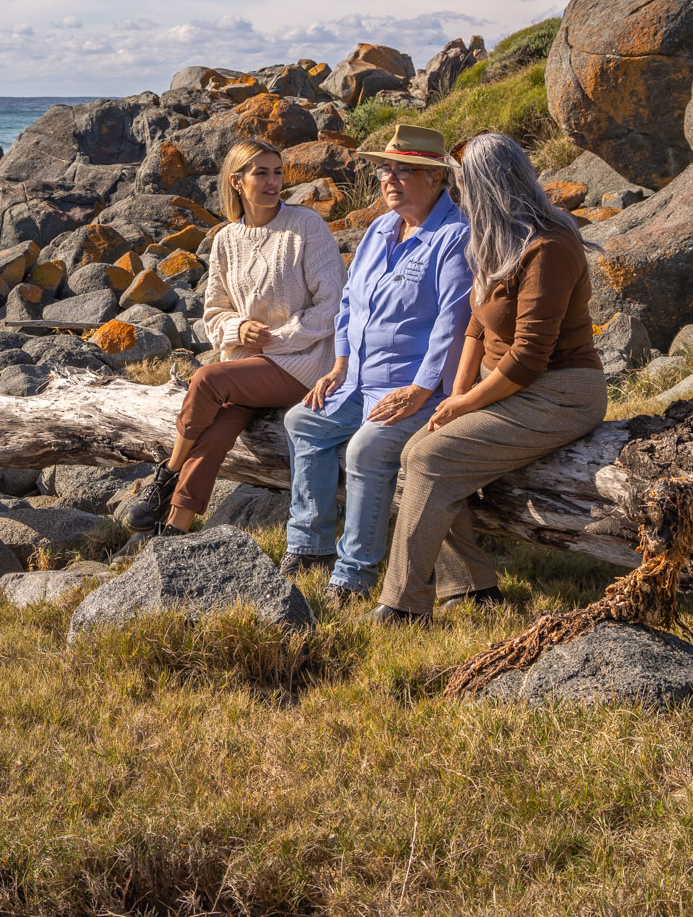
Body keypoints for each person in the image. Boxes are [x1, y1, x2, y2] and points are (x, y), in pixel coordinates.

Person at [371, 131, 608, 624]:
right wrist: (457, 394)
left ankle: (402, 604)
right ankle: (473, 588)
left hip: (560, 392)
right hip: (505, 387)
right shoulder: (496, 239)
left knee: (432, 457)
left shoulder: (550, 245)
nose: (457, 194)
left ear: (489, 184)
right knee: (419, 448)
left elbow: (529, 356)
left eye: (463, 183)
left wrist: (464, 405)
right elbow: (477, 325)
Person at [283, 123, 473, 604]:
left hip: (411, 389)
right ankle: (309, 545)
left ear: (435, 179)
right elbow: (349, 303)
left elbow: (454, 323)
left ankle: (354, 575)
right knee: (303, 422)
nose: (389, 178)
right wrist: (339, 364)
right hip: (358, 380)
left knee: (364, 451)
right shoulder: (379, 229)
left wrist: (424, 390)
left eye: (404, 170)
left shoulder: (453, 238)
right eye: (386, 168)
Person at [116, 138, 346, 535]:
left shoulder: (306, 226)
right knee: (218, 430)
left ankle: (165, 475)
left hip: (302, 364)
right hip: (248, 366)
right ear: (237, 182)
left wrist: (273, 339)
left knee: (205, 378)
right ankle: (176, 527)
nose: (273, 182)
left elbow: (332, 305)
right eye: (262, 173)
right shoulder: (225, 240)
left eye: (277, 172)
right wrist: (239, 329)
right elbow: (213, 312)